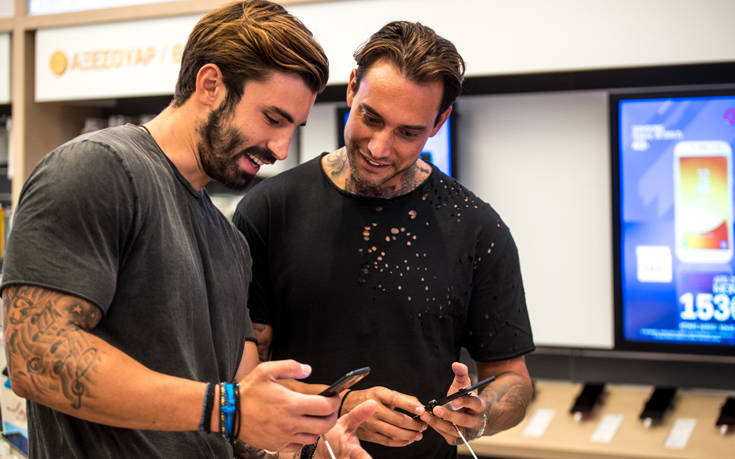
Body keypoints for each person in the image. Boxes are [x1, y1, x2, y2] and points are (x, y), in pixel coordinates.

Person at [0, 1, 377, 458]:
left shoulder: (230, 242)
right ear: (210, 85)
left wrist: (306, 449)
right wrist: (226, 409)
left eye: (293, 128)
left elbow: (237, 415)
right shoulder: (98, 170)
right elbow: (37, 359)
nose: (280, 149)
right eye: (273, 119)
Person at [233, 20, 535, 458]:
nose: (378, 147)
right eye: (370, 118)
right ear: (352, 88)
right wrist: (339, 407)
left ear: (439, 121)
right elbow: (244, 382)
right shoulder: (270, 210)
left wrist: (482, 412)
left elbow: (513, 378)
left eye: (407, 132)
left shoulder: (477, 228)